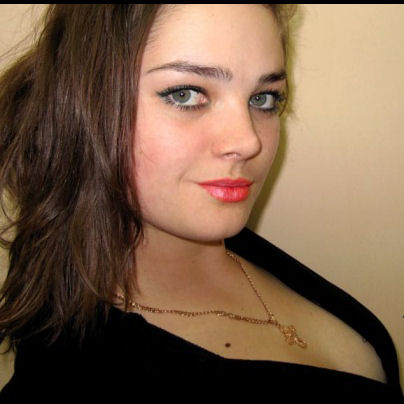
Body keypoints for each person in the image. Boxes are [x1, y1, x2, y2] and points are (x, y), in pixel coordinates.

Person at [0, 4, 402, 401]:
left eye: (264, 98)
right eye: (186, 94)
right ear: (83, 106)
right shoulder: (70, 377)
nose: (248, 141)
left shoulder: (225, 239)